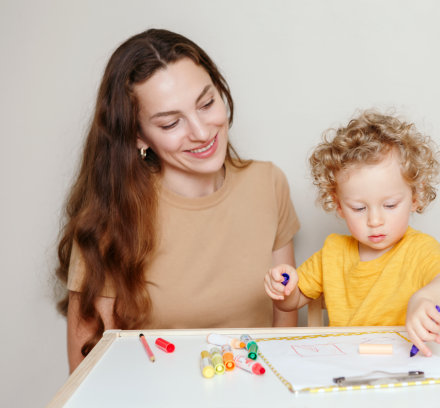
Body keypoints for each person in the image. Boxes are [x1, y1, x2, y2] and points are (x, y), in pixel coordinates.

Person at [55, 29, 300, 372]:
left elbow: (283, 323)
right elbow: (88, 375)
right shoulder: (109, 218)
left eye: (206, 103)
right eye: (171, 123)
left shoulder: (268, 184)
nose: (201, 132)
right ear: (138, 136)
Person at [264, 109, 440, 357]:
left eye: (390, 205)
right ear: (338, 205)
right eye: (359, 208)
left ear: (415, 197)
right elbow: (291, 302)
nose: (375, 220)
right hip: (344, 369)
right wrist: (283, 289)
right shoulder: (333, 252)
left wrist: (425, 298)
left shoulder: (419, 249)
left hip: (405, 366)